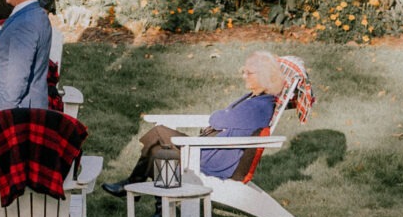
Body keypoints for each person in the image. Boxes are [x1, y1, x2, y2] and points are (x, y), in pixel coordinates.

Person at [103, 50, 291, 194]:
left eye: (248, 73)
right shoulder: (256, 99)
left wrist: (221, 116)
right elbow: (221, 119)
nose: (244, 75)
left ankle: (133, 185)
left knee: (159, 133)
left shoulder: (258, 107)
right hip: (215, 151)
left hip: (217, 160)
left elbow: (217, 118)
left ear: (263, 77)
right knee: (158, 148)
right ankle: (155, 203)